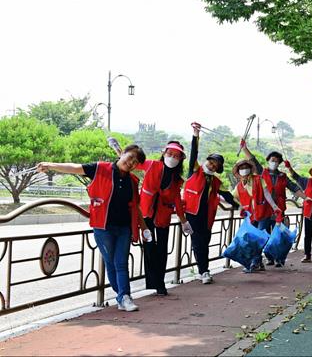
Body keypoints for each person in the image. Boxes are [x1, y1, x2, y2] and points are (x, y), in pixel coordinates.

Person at [37, 145, 149, 312]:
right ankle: (121, 296)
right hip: (103, 227)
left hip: (124, 228)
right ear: (122, 154)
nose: (131, 163)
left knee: (121, 263)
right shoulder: (100, 169)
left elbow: (135, 206)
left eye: (135, 162)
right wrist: (51, 165)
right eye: (130, 157)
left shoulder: (132, 181)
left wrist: (144, 227)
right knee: (111, 263)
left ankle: (125, 296)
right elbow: (74, 168)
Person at [133, 141, 192, 296]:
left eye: (176, 156)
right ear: (164, 154)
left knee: (162, 249)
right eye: (170, 154)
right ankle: (154, 282)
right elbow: (130, 162)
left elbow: (177, 201)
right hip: (146, 214)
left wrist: (183, 220)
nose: (172, 157)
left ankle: (160, 283)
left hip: (163, 216)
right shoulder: (152, 165)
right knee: (150, 247)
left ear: (180, 159)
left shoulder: (177, 179)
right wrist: (118, 149)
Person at [185, 123, 238, 284]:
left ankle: (203, 271)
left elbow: (227, 196)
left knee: (204, 243)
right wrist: (195, 135)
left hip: (207, 216)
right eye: (211, 162)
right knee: (198, 243)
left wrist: (239, 206)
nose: (212, 165)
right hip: (192, 214)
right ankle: (204, 271)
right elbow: (193, 154)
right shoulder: (195, 171)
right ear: (207, 161)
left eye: (215, 166)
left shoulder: (216, 181)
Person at [239, 141, 308, 266]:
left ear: (279, 163)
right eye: (272, 160)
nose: (274, 162)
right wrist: (244, 148)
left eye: (276, 160)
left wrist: (306, 198)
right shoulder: (261, 172)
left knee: (278, 236)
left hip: (279, 210)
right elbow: (252, 159)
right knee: (263, 234)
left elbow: (294, 188)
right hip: (264, 210)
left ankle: (278, 258)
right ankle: (267, 258)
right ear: (268, 160)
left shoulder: (283, 176)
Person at [230, 159, 281, 272]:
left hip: (263, 213)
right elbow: (231, 198)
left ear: (250, 169)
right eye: (241, 168)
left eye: (245, 167)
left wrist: (274, 207)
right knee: (253, 239)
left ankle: (255, 263)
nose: (244, 170)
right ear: (238, 171)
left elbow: (266, 193)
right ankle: (258, 262)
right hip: (251, 216)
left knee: (258, 238)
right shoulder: (239, 186)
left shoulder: (258, 179)